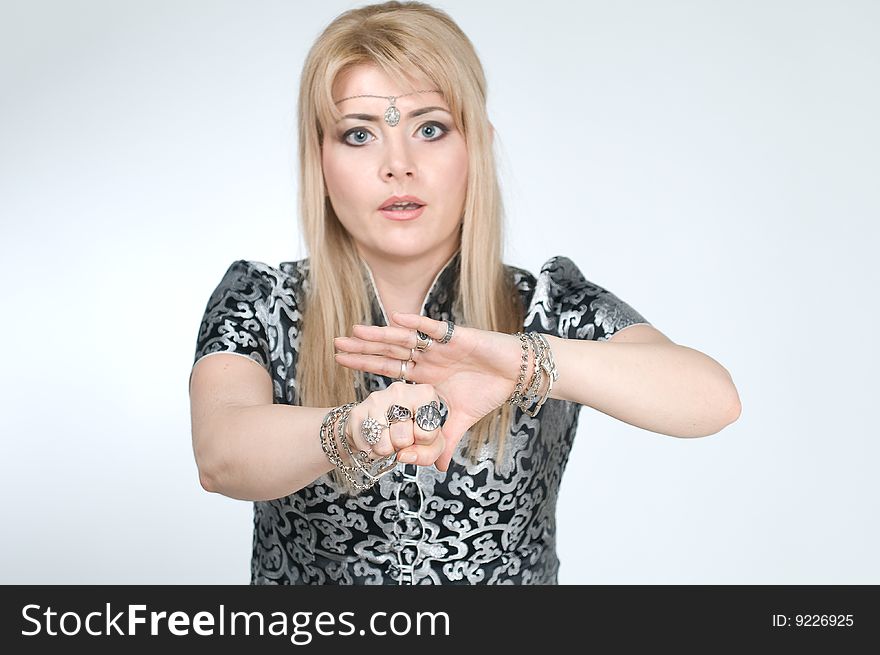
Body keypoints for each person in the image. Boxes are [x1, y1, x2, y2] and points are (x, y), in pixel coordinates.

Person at [188, 0, 741, 585]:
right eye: (359, 135)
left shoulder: (546, 306)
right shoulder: (263, 300)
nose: (398, 166)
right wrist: (354, 428)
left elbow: (712, 399)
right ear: (319, 157)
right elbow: (222, 453)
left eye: (430, 129)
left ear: (477, 145)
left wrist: (527, 360)